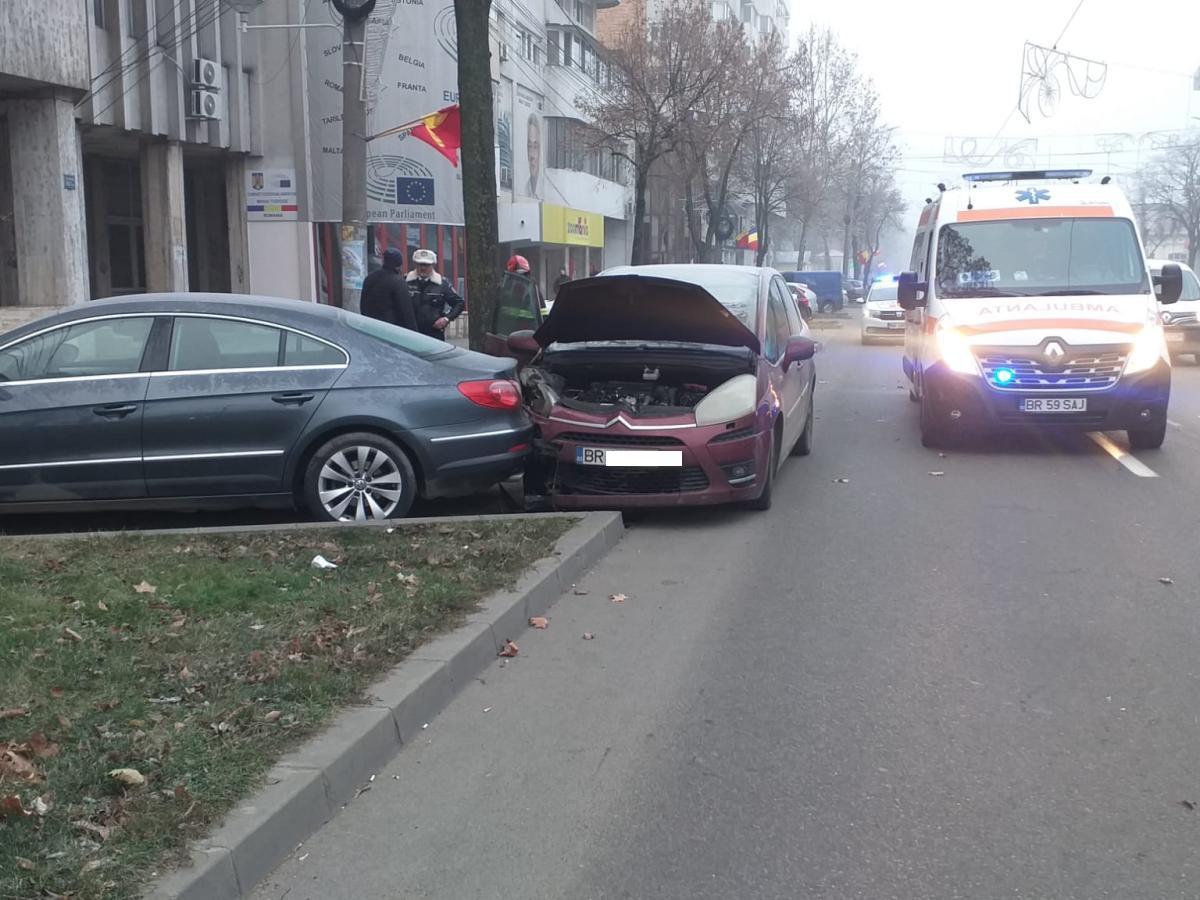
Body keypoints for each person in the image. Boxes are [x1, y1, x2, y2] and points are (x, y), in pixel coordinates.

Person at [407, 248, 464, 340]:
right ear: (415, 264)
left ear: (433, 265)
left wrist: (446, 319)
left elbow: (459, 303)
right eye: (420, 264)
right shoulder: (405, 282)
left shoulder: (442, 284)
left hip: (434, 333)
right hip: (410, 333)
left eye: (427, 265)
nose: (423, 268)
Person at [360, 248, 417, 331]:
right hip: (389, 331)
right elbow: (406, 313)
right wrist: (414, 333)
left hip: (370, 327)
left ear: (384, 261)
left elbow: (363, 305)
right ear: (399, 265)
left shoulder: (369, 278)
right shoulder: (398, 282)